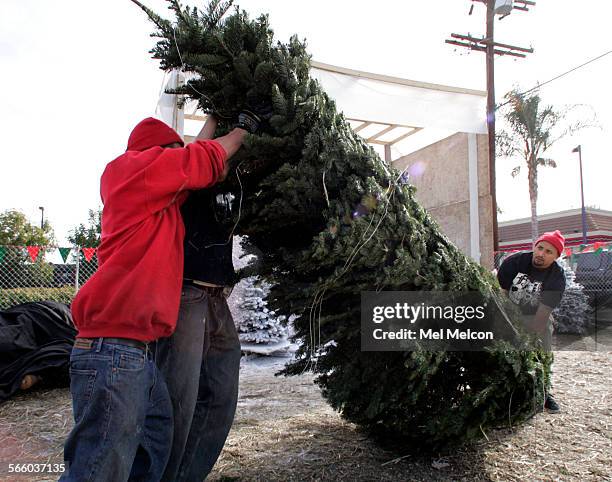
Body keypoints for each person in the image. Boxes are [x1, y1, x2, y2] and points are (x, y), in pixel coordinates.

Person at [61, 113, 255, 482]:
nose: (178, 168)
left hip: (136, 353)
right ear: (157, 154)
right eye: (172, 155)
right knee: (100, 465)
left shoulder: (155, 201)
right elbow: (199, 161)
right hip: (112, 351)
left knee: (152, 447)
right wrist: (242, 130)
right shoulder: (130, 171)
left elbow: (192, 157)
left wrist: (213, 118)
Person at [156, 110, 264, 481]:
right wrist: (222, 119)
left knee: (221, 390)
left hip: (216, 298)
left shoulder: (231, 185)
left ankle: (188, 475)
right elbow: (201, 148)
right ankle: (161, 474)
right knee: (178, 399)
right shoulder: (186, 177)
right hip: (186, 295)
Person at [497, 230, 566, 413]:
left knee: (543, 336)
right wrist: (505, 324)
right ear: (534, 246)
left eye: (548, 252)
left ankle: (543, 390)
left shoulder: (556, 277)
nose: (541, 254)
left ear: (556, 256)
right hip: (509, 312)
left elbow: (542, 317)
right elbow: (501, 295)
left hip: (534, 317)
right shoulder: (514, 262)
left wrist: (526, 341)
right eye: (540, 248)